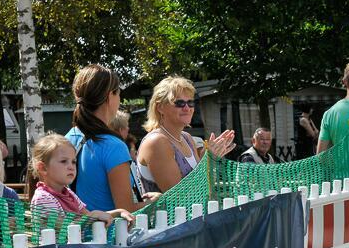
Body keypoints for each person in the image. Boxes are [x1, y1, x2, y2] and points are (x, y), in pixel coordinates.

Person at [66, 64, 159, 212]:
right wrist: (156, 201)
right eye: (118, 94)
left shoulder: (69, 138)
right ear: (110, 96)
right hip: (110, 227)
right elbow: (126, 210)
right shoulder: (113, 145)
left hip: (76, 226)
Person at [137, 76, 235, 192]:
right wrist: (207, 161)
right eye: (179, 103)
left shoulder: (186, 138)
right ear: (160, 107)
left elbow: (201, 184)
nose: (187, 108)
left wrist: (207, 158)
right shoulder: (157, 142)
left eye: (190, 102)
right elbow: (179, 195)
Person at [30, 133, 133, 226]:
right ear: (43, 168)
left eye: (73, 162)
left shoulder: (68, 193)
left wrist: (118, 212)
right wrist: (92, 216)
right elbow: (65, 228)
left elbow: (87, 215)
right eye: (63, 161)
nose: (71, 167)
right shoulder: (43, 198)